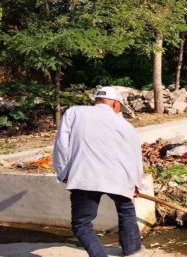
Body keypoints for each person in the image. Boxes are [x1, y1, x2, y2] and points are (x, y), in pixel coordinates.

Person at [53, 86, 145, 257]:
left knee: (82, 224)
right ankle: (132, 251)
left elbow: (61, 144)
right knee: (126, 209)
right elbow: (135, 158)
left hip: (85, 176)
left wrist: (63, 172)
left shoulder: (74, 113)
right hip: (118, 177)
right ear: (116, 104)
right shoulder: (125, 126)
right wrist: (137, 184)